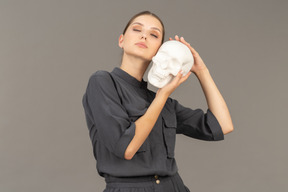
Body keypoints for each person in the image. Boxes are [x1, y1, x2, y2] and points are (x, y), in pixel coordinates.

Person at [82, 11, 234, 192]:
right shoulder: (103, 82)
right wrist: (162, 95)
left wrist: (202, 71)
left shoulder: (163, 103)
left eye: (153, 34)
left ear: (159, 50)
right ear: (121, 40)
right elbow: (126, 148)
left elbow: (222, 125)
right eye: (137, 29)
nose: (144, 35)